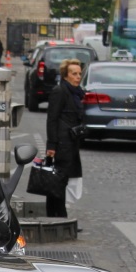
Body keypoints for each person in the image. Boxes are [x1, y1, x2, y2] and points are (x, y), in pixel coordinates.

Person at [44, 58, 86, 218]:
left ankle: (58, 214)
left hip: (71, 142)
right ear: (65, 75)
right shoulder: (60, 91)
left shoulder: (76, 93)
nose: (78, 77)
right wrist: (51, 145)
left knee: (62, 179)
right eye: (74, 74)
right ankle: (58, 215)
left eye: (79, 74)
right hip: (62, 143)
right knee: (58, 180)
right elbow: (52, 118)